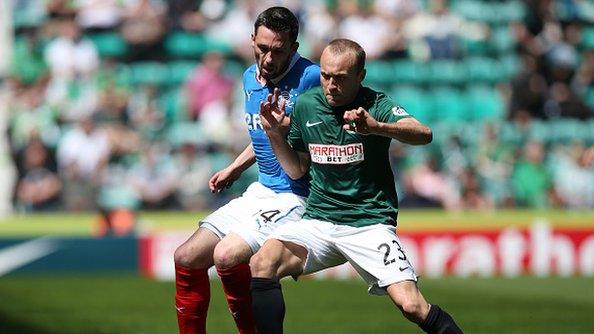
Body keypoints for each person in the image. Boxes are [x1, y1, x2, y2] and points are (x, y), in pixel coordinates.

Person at [252, 39, 463, 334]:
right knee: (262, 263)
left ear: (360, 76)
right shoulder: (307, 105)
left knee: (412, 306)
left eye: (340, 78)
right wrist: (275, 133)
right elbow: (298, 169)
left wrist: (377, 127)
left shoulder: (376, 105)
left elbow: (424, 134)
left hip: (368, 224)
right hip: (319, 221)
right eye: (326, 76)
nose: (331, 85)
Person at [173, 7, 320, 334]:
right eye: (261, 48)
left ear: (294, 49)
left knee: (226, 256)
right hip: (261, 192)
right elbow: (264, 135)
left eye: (277, 51)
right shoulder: (247, 78)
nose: (267, 58)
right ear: (252, 39)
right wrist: (235, 168)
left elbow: (303, 145)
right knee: (186, 257)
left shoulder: (311, 78)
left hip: (296, 196)